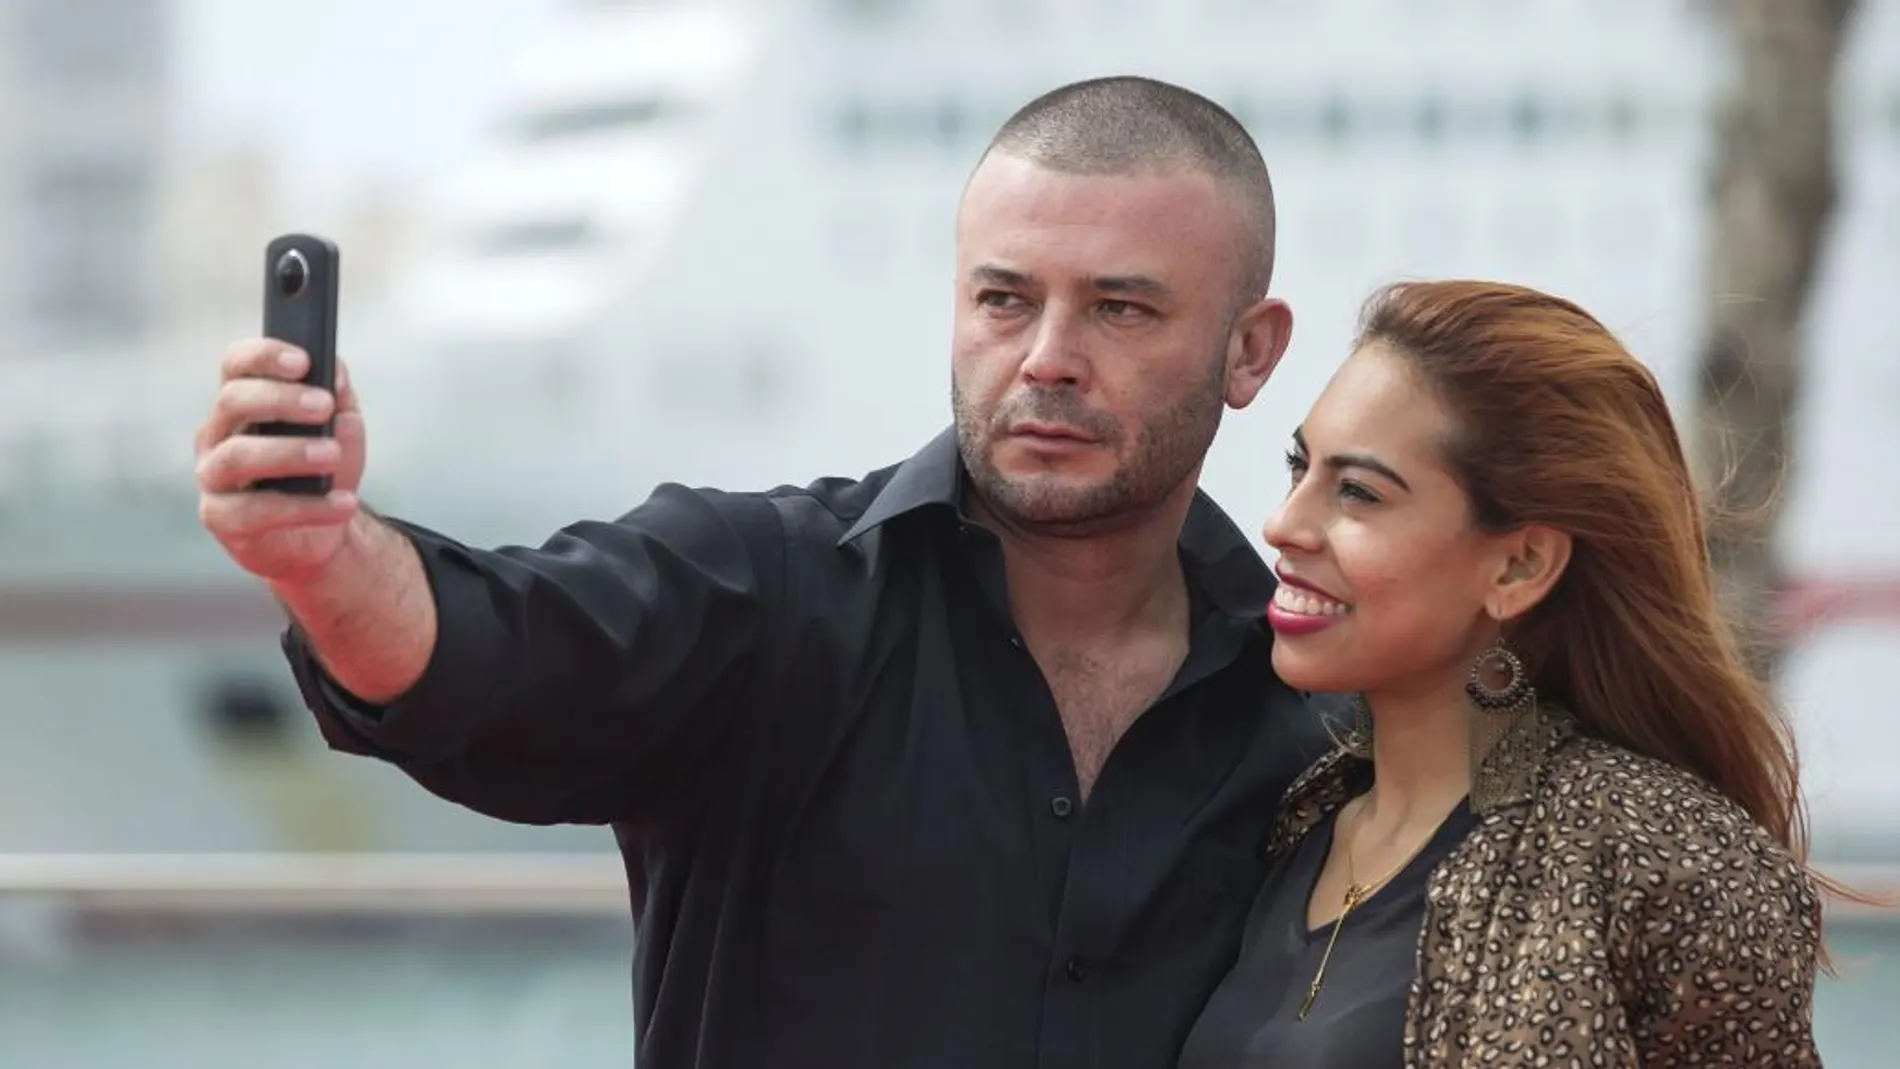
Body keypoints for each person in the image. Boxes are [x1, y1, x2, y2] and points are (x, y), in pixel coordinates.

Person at [193, 77, 1331, 1069]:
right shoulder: (763, 591)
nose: (1044, 358)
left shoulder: (1322, 707)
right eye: (1003, 299)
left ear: (1250, 350)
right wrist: (332, 558)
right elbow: (488, 651)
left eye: (1119, 308)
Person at [1175, 279, 1835, 1068]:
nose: (1284, 523)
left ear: (1520, 564)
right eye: (1300, 466)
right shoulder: (1295, 817)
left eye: (1356, 492)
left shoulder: (1661, 856)